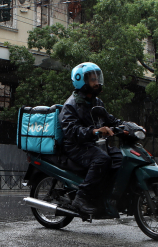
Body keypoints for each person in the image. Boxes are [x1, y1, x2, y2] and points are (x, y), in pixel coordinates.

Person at [59, 62, 140, 215]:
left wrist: (130, 126)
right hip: (76, 146)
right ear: (80, 81)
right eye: (92, 80)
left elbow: (111, 120)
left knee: (122, 159)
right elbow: (71, 130)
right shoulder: (71, 104)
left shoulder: (97, 102)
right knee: (102, 160)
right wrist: (94, 131)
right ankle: (81, 198)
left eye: (97, 79)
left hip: (94, 145)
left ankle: (109, 195)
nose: (97, 83)